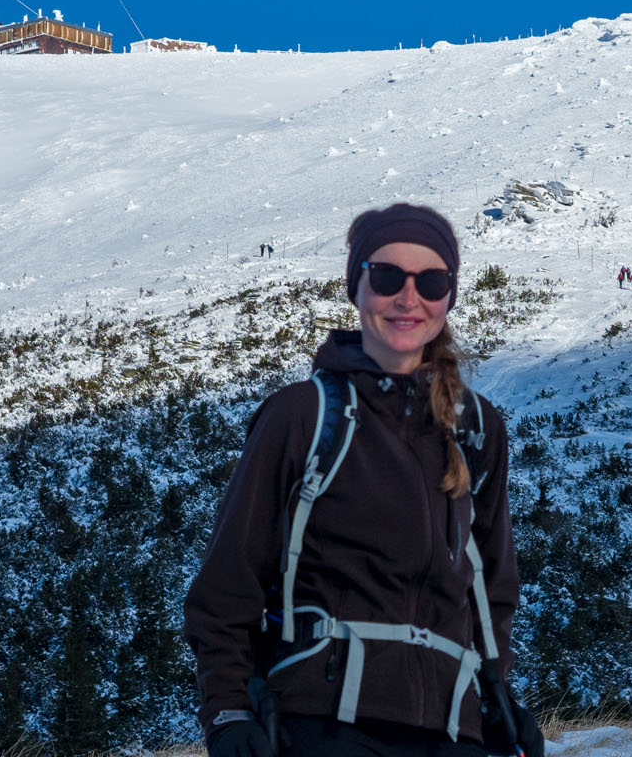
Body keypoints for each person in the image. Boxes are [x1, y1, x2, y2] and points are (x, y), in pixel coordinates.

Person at [185, 204, 537, 757]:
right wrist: (228, 712)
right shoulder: (302, 417)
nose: (408, 297)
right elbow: (227, 587)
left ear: (449, 295)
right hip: (324, 724)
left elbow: (491, 586)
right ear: (358, 287)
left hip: (452, 729)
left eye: (432, 281)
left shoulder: (475, 427)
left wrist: (496, 693)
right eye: (388, 276)